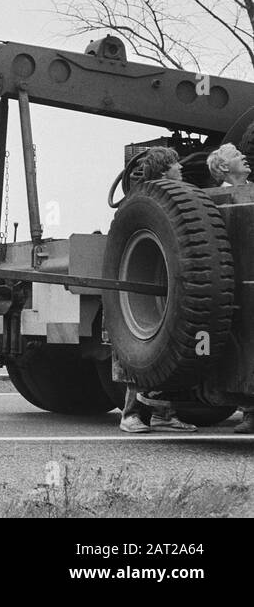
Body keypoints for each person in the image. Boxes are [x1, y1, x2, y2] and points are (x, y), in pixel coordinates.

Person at [119, 146, 197, 434]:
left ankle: (164, 413)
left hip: (170, 287)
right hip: (143, 290)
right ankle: (130, 414)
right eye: (176, 164)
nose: (181, 168)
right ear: (165, 169)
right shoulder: (148, 199)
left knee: (168, 354)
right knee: (141, 353)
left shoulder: (174, 200)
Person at [207, 143, 254, 434]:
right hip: (228, 280)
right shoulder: (211, 198)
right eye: (238, 156)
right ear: (224, 168)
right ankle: (248, 410)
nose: (245, 158)